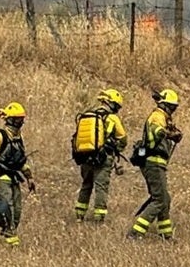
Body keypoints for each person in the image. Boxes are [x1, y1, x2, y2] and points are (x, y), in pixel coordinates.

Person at [129, 87, 182, 241]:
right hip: (153, 162)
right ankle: (135, 233)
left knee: (165, 199)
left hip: (157, 163)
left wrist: (173, 131)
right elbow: (157, 132)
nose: (173, 110)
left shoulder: (163, 117)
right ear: (165, 105)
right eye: (172, 107)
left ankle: (166, 235)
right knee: (159, 199)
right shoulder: (157, 116)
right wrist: (171, 134)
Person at [0, 102, 34, 247]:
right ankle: (11, 243)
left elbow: (20, 160)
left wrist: (29, 177)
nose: (20, 122)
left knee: (17, 210)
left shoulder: (18, 137)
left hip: (14, 178)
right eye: (18, 119)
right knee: (7, 210)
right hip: (0, 178)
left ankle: (7, 236)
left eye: (22, 119)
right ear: (10, 120)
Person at [71, 88, 126, 224]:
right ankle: (99, 218)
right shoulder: (112, 118)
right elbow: (123, 138)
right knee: (101, 187)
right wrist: (115, 150)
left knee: (86, 185)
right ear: (110, 103)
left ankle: (79, 215)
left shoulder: (87, 115)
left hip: (85, 156)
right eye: (117, 106)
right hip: (103, 158)